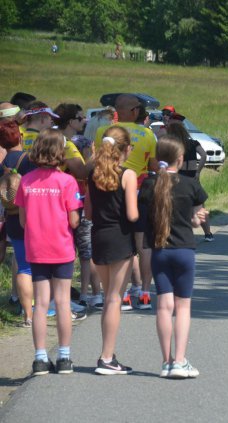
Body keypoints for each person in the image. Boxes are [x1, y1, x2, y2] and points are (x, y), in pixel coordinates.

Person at [139, 135, 209, 378]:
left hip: (159, 251)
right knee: (183, 306)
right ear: (180, 159)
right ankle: (180, 360)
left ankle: (166, 361)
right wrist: (197, 220)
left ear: (158, 158)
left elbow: (146, 217)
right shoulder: (189, 184)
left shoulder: (150, 185)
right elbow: (193, 218)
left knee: (164, 306)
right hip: (184, 250)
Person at [15, 129, 83, 376]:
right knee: (63, 302)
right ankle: (64, 357)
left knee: (41, 304)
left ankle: (40, 358)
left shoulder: (26, 180)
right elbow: (74, 220)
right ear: (60, 152)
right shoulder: (67, 181)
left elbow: (22, 221)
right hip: (62, 248)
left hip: (36, 247)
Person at [95, 94, 158, 311]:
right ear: (134, 111)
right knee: (143, 246)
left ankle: (113, 293)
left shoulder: (102, 133)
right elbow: (154, 166)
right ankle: (144, 293)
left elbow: (96, 158)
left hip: (105, 187)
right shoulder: (148, 134)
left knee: (118, 243)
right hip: (138, 192)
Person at [85, 126, 139, 375]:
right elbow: (132, 214)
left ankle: (108, 354)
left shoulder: (93, 174)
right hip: (120, 238)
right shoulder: (127, 175)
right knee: (115, 299)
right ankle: (107, 358)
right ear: (125, 148)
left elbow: (88, 212)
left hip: (99, 235)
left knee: (109, 299)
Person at [54, 103, 102, 310]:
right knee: (83, 250)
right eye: (81, 118)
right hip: (72, 202)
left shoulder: (59, 140)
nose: (84, 121)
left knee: (77, 250)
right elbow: (81, 171)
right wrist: (97, 155)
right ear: (71, 121)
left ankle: (82, 294)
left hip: (65, 200)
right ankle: (83, 295)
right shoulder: (67, 144)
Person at [0, 119, 37, 328]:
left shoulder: (2, 166)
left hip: (12, 217)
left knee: (23, 266)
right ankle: (41, 308)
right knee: (39, 267)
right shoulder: (28, 160)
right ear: (20, 137)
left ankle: (27, 315)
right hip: (31, 217)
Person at [166, 122, 214, 242]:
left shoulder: (174, 145)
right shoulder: (193, 143)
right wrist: (198, 171)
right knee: (200, 206)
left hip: (179, 175)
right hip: (192, 175)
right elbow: (203, 155)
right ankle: (208, 233)